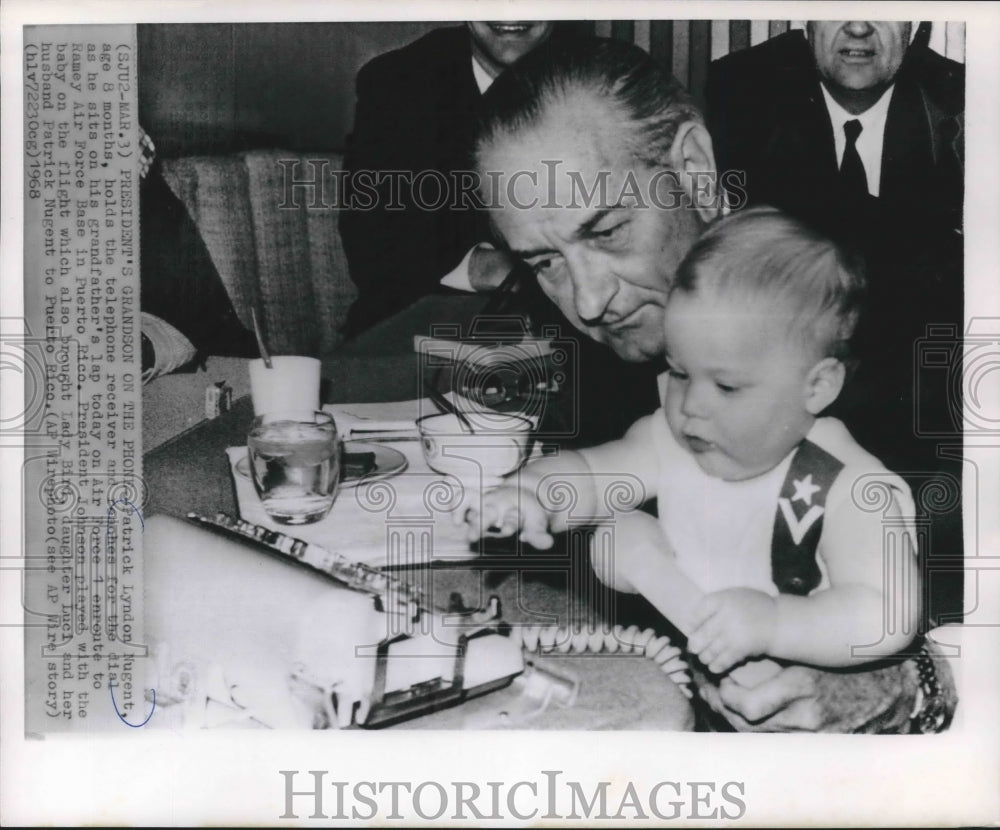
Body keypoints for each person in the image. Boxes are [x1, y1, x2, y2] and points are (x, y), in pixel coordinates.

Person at [469, 36, 955, 733]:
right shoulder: (567, 332)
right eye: (544, 261)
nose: (585, 300)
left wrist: (909, 680)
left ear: (694, 169)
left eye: (606, 230)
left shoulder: (889, 290)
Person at [468, 207, 921, 685]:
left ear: (817, 387)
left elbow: (887, 615)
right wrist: (533, 494)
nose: (692, 407)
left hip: (798, 709)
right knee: (620, 534)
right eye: (681, 373)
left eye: (726, 387)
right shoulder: (677, 440)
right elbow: (594, 473)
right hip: (692, 674)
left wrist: (776, 624)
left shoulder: (843, 485)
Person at [707, 21, 965, 623]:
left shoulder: (963, 101)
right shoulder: (742, 90)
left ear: (918, 21)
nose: (855, 24)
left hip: (923, 404)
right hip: (780, 385)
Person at [338, 22, 560, 338]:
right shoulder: (398, 81)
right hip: (415, 329)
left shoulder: (606, 77)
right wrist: (487, 267)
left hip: (568, 330)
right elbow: (371, 244)